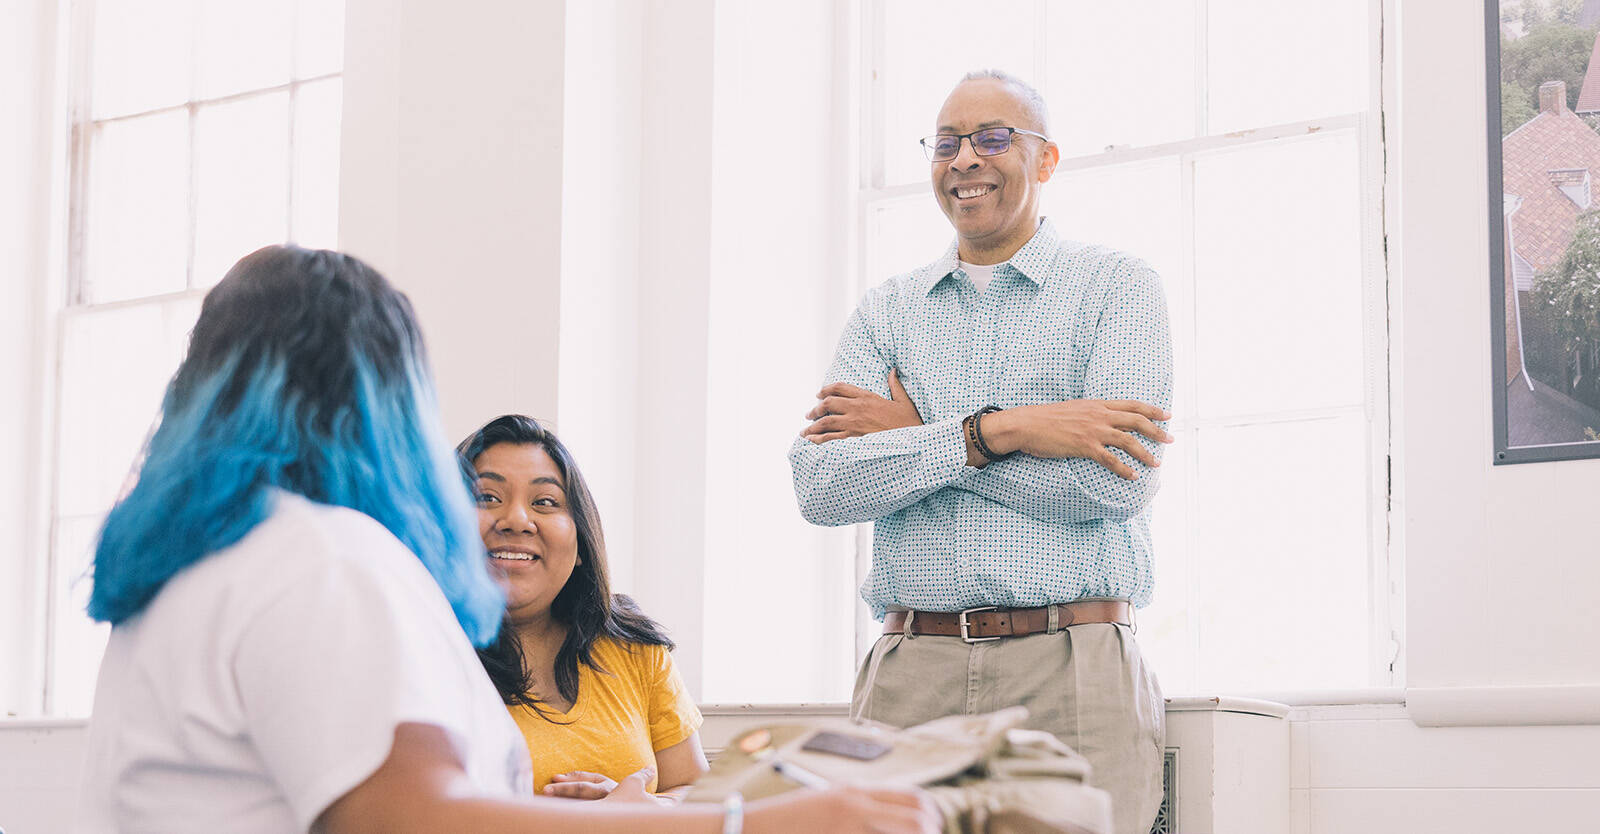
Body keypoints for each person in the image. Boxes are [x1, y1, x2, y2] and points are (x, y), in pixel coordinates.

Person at [77, 244, 940, 834]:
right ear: (384, 400)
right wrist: (749, 823)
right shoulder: (322, 560)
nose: (513, 520)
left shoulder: (194, 566)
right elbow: (419, 819)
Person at [787, 69, 1173, 834]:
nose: (965, 158)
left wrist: (913, 440)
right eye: (947, 142)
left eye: (993, 138)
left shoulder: (1118, 288)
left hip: (1073, 665)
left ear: (1047, 160)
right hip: (911, 671)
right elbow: (822, 486)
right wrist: (1003, 431)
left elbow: (1115, 487)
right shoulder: (885, 313)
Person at [458, 415, 707, 803]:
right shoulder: (420, 654)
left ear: (581, 542)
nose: (518, 520)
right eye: (487, 497)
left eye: (545, 502)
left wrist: (646, 810)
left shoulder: (634, 647)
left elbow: (700, 793)